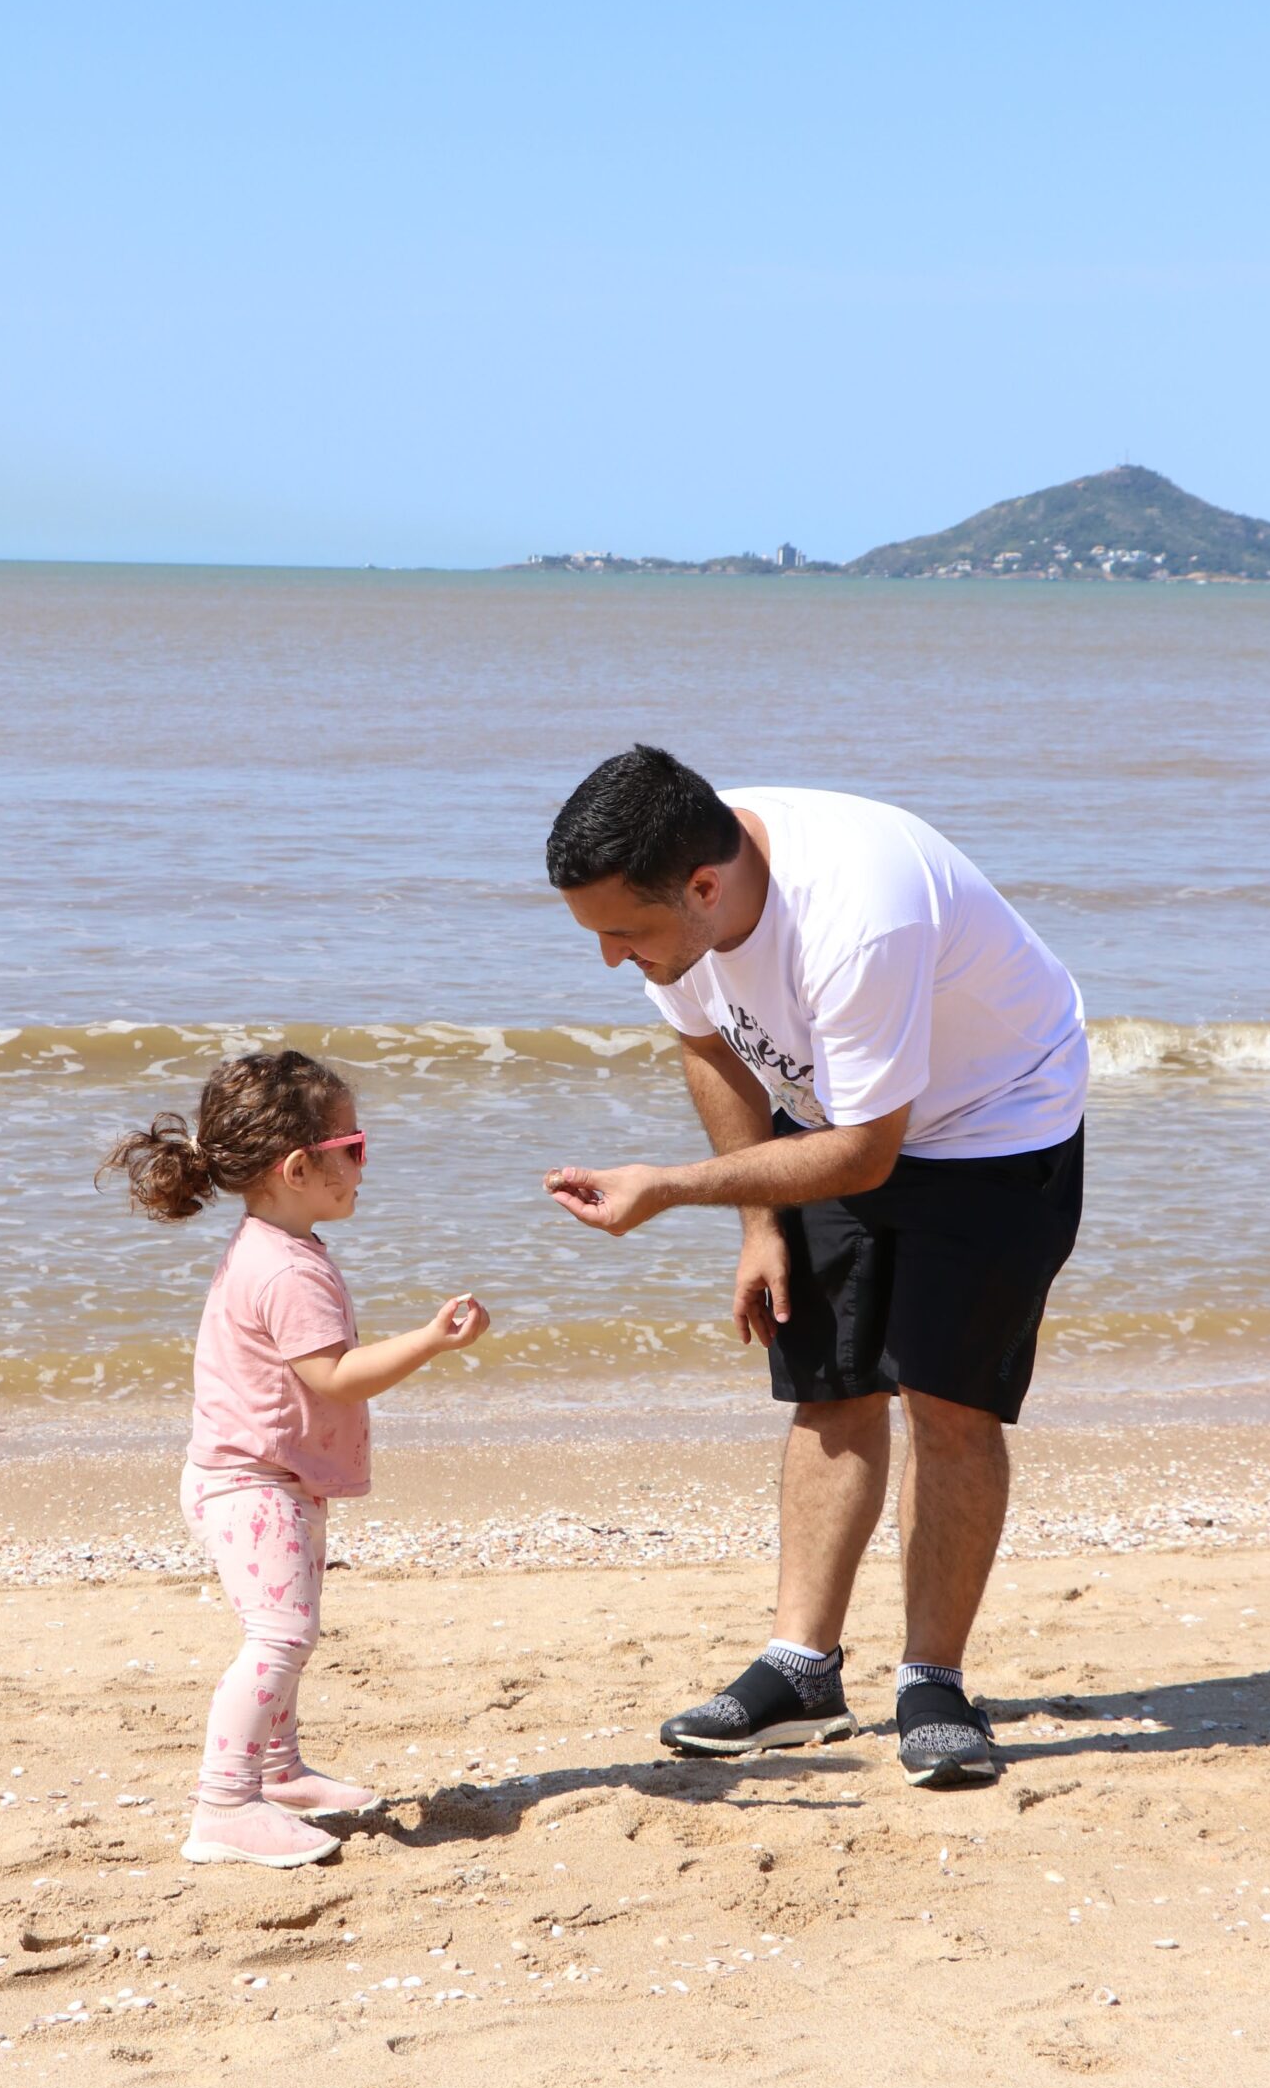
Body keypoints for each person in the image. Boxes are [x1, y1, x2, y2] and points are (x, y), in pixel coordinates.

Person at [542, 745, 1086, 1791]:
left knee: (948, 1403)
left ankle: (932, 1684)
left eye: (624, 932)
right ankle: (801, 1672)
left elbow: (867, 1154)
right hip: (837, 1112)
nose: (610, 958)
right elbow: (711, 1047)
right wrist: (759, 1225)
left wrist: (668, 1188)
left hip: (994, 1123)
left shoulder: (856, 914)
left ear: (704, 888)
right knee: (829, 1385)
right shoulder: (682, 888)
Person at [99, 1050, 488, 1868]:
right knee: (280, 1637)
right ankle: (223, 1805)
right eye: (356, 1147)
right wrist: (430, 1341)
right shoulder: (285, 1270)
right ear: (300, 1168)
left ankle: (277, 1771)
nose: (364, 1165)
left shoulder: (275, 1243)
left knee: (287, 1629)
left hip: (268, 1475)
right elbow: (334, 1375)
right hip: (250, 1485)